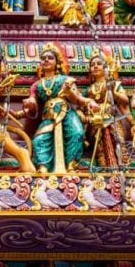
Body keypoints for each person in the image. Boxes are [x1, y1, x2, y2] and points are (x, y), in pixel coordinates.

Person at [26, 43, 94, 173]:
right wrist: (26, 106)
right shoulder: (36, 85)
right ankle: (43, 168)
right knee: (39, 140)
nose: (46, 60)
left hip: (67, 112)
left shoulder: (66, 79)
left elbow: (78, 100)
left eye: (50, 58)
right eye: (43, 58)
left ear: (57, 62)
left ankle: (71, 166)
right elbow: (33, 104)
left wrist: (72, 93)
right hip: (49, 115)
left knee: (77, 133)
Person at [84, 52, 135, 169]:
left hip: (112, 119)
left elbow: (125, 101)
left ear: (106, 68)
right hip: (96, 120)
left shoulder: (113, 85)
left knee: (118, 140)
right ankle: (105, 168)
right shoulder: (89, 90)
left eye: (99, 64)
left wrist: (113, 92)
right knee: (100, 145)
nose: (95, 66)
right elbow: (82, 106)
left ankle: (123, 166)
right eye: (92, 65)